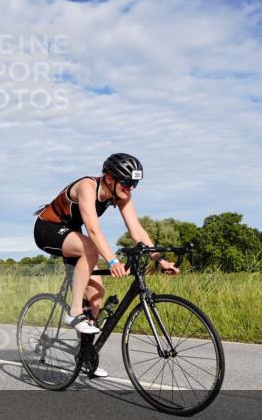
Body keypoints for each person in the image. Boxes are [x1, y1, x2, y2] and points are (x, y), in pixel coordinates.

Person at [33, 153, 179, 377]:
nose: (131, 188)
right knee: (90, 248)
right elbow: (93, 229)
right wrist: (112, 260)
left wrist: (159, 259)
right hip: (47, 229)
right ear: (109, 179)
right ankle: (73, 313)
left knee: (96, 297)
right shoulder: (87, 186)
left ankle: (85, 357)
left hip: (73, 235)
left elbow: (136, 229)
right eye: (128, 183)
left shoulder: (122, 195)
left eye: (135, 184)